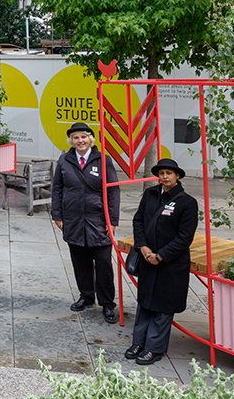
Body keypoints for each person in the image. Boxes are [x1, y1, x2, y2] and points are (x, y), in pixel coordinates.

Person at [126, 158, 197, 365]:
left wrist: (161, 256)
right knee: (145, 303)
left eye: (169, 173)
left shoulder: (187, 202)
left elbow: (184, 237)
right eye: (162, 173)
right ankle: (138, 343)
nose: (165, 176)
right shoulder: (150, 194)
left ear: (177, 176)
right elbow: (138, 220)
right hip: (148, 258)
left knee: (162, 307)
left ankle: (154, 348)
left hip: (171, 264)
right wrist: (144, 247)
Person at [51, 122, 120, 324]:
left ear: (91, 139)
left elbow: (114, 191)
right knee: (80, 262)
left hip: (98, 220)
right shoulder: (64, 160)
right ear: (71, 141)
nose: (80, 141)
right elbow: (57, 189)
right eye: (76, 138)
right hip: (73, 220)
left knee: (104, 263)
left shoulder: (103, 160)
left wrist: (112, 220)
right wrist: (57, 214)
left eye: (83, 137)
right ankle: (87, 297)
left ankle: (107, 303)